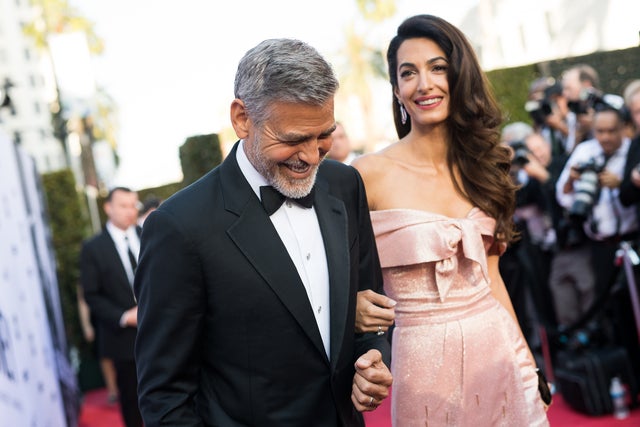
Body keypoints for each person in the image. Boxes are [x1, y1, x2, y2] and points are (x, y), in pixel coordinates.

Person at [134, 38, 392, 426]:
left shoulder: (344, 185)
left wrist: (372, 358)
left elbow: (368, 306)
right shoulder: (178, 228)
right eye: (292, 139)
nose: (310, 156)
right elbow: (164, 397)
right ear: (241, 118)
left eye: (323, 135)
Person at [351, 14, 550, 426]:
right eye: (409, 73)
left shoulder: (485, 167)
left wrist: (529, 365)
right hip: (423, 373)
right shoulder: (368, 175)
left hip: (501, 354)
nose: (424, 84)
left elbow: (493, 280)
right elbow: (338, 274)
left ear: (459, 76)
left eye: (438, 67)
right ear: (396, 90)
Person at [80, 186, 142, 427]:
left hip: (162, 330)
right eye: (123, 206)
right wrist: (124, 316)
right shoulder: (93, 248)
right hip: (122, 339)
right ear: (108, 208)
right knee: (131, 400)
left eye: (133, 205)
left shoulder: (148, 233)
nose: (130, 211)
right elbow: (92, 295)